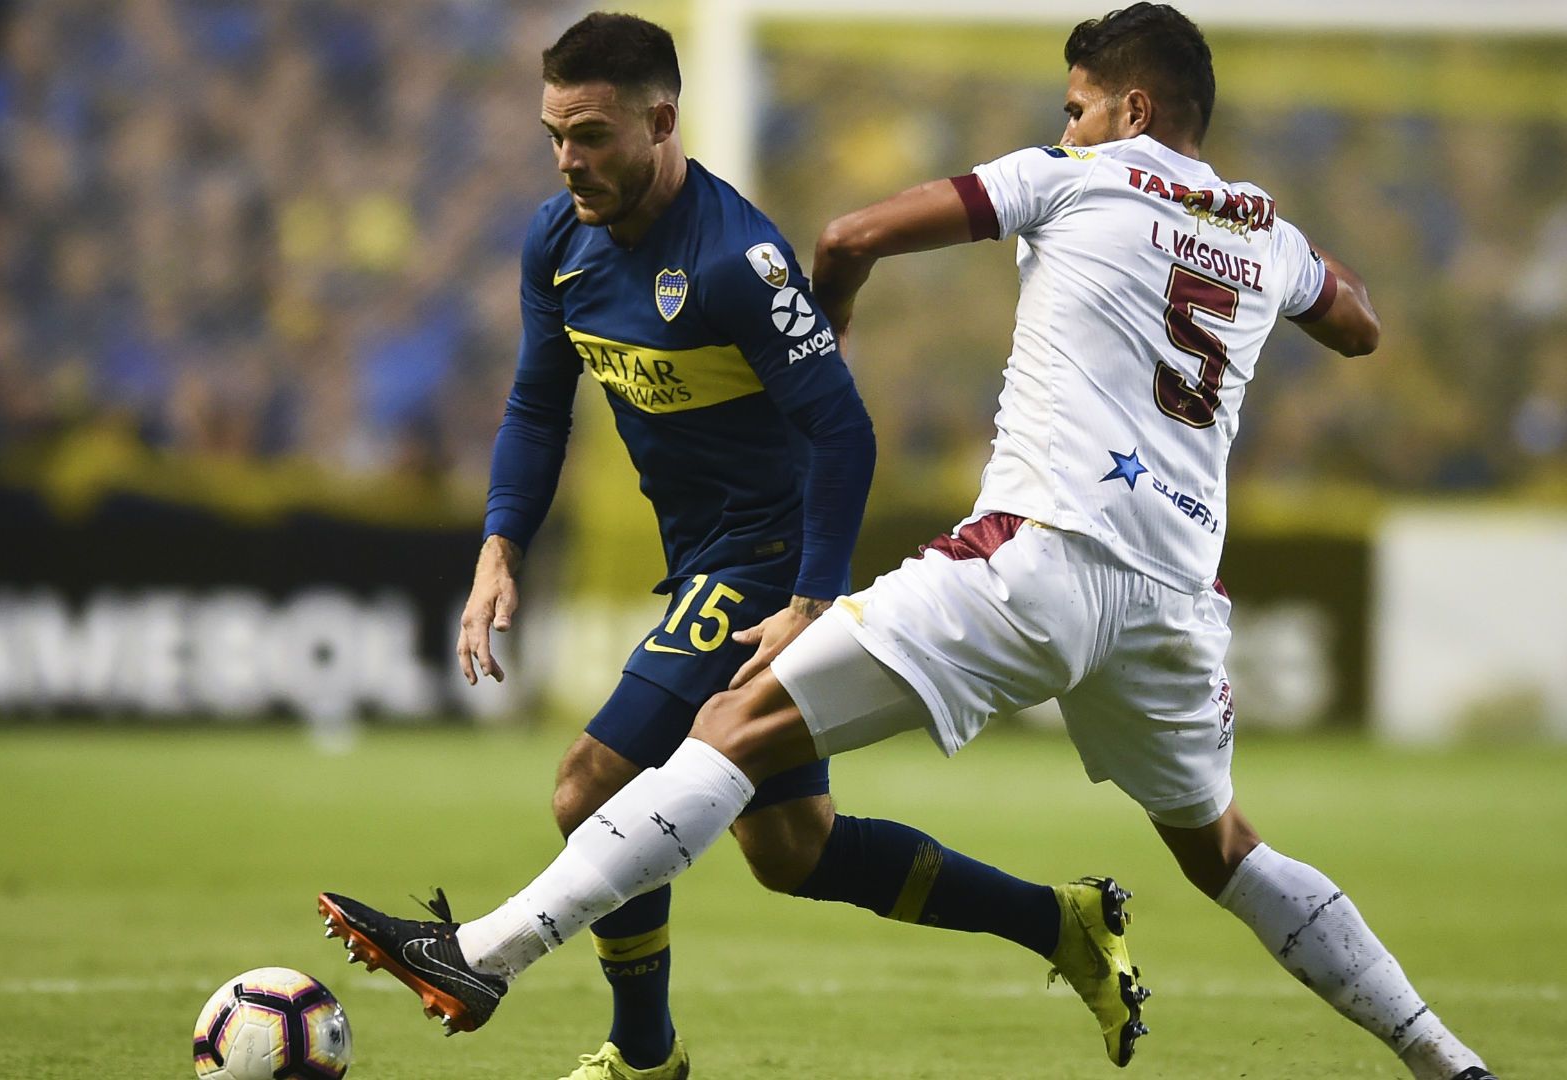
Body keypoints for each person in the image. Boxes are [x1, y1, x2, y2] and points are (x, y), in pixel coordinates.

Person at [316, 12, 1148, 1079]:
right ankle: (1062, 922)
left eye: (594, 135)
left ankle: (641, 1054)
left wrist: (807, 597)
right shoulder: (556, 242)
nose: (569, 159)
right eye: (554, 135)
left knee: (590, 788)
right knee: (793, 852)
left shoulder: (734, 259)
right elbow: (534, 406)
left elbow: (843, 430)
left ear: (662, 122)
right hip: (706, 552)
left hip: (763, 559)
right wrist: (499, 545)